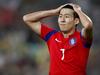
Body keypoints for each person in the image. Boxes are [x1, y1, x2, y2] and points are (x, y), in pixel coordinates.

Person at [23, 3, 93, 75]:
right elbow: (27, 19)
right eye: (60, 16)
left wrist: (78, 11)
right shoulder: (51, 35)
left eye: (67, 16)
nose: (62, 20)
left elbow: (88, 25)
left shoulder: (82, 37)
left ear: (76, 21)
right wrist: (54, 11)